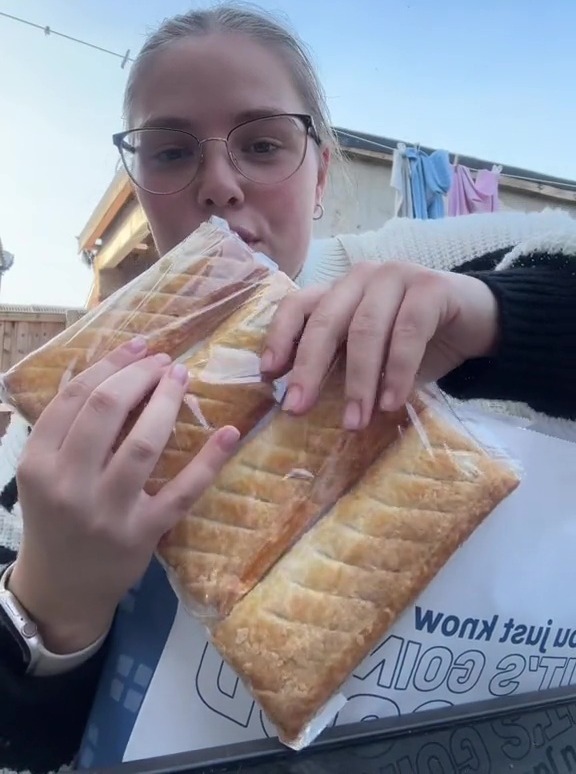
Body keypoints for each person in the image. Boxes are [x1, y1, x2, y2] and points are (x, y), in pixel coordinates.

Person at [1, 4, 575, 773]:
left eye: (264, 144)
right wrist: (54, 612)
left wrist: (502, 316)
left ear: (321, 172)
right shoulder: (66, 417)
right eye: (171, 152)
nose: (219, 185)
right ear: (138, 181)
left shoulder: (420, 260)